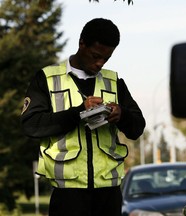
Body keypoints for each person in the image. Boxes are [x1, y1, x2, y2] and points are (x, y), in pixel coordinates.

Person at [20, 18, 146, 216]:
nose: (100, 63)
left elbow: (137, 127)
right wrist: (78, 113)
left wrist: (122, 115)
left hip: (109, 194)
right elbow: (31, 125)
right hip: (67, 195)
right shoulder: (47, 78)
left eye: (106, 58)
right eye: (96, 56)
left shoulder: (114, 81)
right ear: (82, 43)